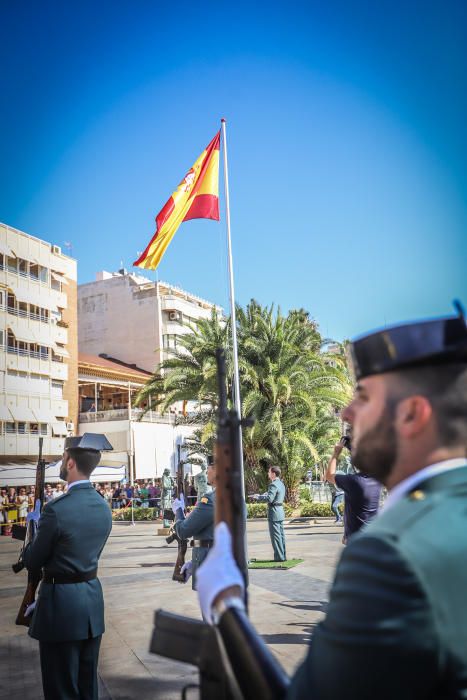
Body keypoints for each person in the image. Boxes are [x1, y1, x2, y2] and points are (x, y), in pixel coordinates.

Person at [196, 306, 467, 699]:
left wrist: (225, 604)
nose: (346, 412)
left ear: (412, 414)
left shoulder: (389, 555)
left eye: (364, 396)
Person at [23, 433, 113, 700]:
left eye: (63, 458)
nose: (62, 463)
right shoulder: (103, 507)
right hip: (91, 606)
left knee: (61, 689)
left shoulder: (56, 510)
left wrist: (34, 530)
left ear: (71, 462)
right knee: (87, 688)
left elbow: (32, 560)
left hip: (60, 609)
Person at [172, 456, 216, 589]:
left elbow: (184, 531)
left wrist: (178, 511)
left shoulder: (211, 500)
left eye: (208, 469)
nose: (207, 472)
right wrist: (193, 564)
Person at [325, 437, 381, 542]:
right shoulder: (376, 479)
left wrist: (336, 453)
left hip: (357, 541)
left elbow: (329, 476)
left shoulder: (355, 481)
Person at [266, 466, 287, 561]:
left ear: (273, 474)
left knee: (276, 536)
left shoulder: (273, 485)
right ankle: (283, 556)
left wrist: (258, 497)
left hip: (274, 512)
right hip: (280, 511)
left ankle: (279, 558)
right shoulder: (281, 484)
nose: (268, 474)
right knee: (281, 535)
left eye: (269, 472)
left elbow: (269, 499)